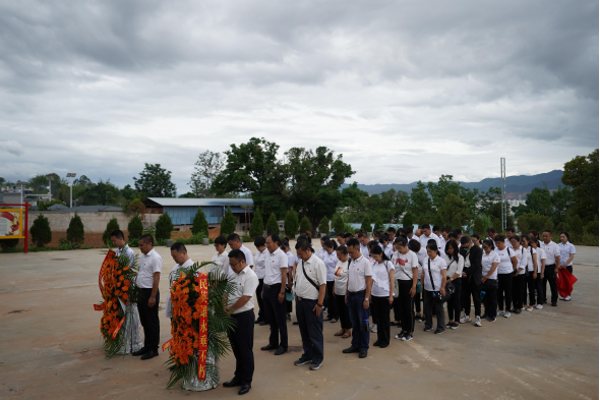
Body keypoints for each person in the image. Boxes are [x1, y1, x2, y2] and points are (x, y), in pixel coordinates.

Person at [223, 249, 259, 396]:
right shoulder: (234, 274)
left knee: (245, 351)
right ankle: (238, 377)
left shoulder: (250, 276)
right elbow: (225, 292)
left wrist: (230, 309)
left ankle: (246, 381)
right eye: (230, 264)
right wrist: (224, 307)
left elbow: (245, 298)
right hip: (231, 317)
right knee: (236, 349)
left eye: (234, 264)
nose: (232, 267)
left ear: (242, 261)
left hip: (243, 317)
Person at [293, 237, 327, 371]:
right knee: (304, 331)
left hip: (312, 303)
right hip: (300, 302)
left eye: (301, 253)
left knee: (315, 332)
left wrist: (319, 304)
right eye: (298, 254)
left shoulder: (318, 263)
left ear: (308, 250)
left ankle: (317, 358)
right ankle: (307, 354)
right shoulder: (301, 262)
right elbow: (299, 280)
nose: (299, 256)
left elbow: (323, 285)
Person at [133, 234, 162, 360]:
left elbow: (156, 278)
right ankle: (147, 345)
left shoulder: (155, 258)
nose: (140, 248)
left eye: (141, 245)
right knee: (144, 321)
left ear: (149, 244)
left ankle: (153, 349)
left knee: (152, 322)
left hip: (150, 292)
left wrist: (152, 296)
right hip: (141, 292)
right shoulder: (143, 257)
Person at [343, 238, 373, 359]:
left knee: (363, 323)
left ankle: (364, 347)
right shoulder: (351, 261)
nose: (350, 254)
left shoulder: (365, 262)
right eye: (348, 252)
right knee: (354, 323)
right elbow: (349, 279)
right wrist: (346, 294)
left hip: (361, 296)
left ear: (358, 249)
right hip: (351, 296)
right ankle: (355, 344)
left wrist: (366, 299)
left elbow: (369, 282)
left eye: (351, 252)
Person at [260, 234, 289, 355]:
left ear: (276, 243)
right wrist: (263, 289)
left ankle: (283, 345)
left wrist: (282, 291)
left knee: (280, 318)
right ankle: (273, 342)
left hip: (277, 289)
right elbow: (266, 273)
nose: (267, 245)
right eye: (266, 243)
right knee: (270, 318)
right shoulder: (267, 254)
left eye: (269, 243)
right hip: (267, 288)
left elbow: (284, 275)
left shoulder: (281, 256)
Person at [392, 236, 418, 341]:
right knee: (400, 308)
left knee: (408, 308)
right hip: (397, 284)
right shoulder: (395, 254)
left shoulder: (412, 255)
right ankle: (403, 330)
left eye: (400, 248)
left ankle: (410, 331)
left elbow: (415, 271)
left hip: (408, 283)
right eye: (397, 248)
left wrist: (413, 286)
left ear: (405, 245)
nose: (398, 250)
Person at [369, 245, 395, 348]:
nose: (374, 258)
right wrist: (370, 294)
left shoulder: (388, 264)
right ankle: (379, 338)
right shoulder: (374, 264)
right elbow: (371, 280)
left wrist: (390, 295)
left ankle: (385, 339)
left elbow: (392, 281)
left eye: (376, 256)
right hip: (375, 294)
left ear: (381, 254)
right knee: (377, 318)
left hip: (385, 295)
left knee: (384, 318)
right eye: (373, 256)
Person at [421, 242, 448, 334]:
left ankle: (441, 326)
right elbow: (423, 273)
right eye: (427, 251)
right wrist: (422, 285)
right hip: (427, 288)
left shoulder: (441, 261)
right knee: (427, 307)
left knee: (438, 308)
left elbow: (444, 276)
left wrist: (442, 287)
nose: (428, 253)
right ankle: (428, 325)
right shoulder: (425, 260)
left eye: (430, 251)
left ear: (435, 251)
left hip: (437, 288)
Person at [166, 242, 194, 319]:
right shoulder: (175, 268)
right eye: (172, 256)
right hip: (174, 309)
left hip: (185, 310)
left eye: (175, 256)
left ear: (183, 253)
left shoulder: (192, 268)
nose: (174, 259)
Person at [459, 236, 483, 327]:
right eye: (463, 246)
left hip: (474, 276)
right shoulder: (461, 248)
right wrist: (462, 272)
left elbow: (476, 264)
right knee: (465, 296)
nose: (464, 248)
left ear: (470, 243)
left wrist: (467, 272)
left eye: (466, 246)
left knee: (476, 298)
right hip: (464, 275)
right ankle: (467, 315)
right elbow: (460, 260)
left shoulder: (478, 250)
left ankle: (478, 316)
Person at [494, 235, 518, 319]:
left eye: (499, 243)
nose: (497, 245)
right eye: (496, 243)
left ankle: (508, 310)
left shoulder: (509, 250)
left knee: (507, 292)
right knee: (499, 292)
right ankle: (500, 309)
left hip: (507, 274)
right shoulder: (495, 250)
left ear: (503, 242)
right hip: (498, 274)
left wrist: (512, 270)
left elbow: (515, 261)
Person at [444, 240, 464, 330]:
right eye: (448, 248)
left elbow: (459, 272)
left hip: (456, 281)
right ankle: (450, 320)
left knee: (456, 301)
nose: (449, 250)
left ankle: (456, 321)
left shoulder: (460, 258)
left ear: (455, 248)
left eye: (451, 248)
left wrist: (450, 280)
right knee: (449, 302)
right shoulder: (445, 257)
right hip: (447, 280)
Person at [334, 246, 352, 339]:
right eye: (337, 255)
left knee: (346, 311)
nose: (338, 256)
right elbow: (336, 276)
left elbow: (350, 279)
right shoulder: (339, 262)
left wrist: (346, 293)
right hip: (337, 290)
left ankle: (348, 329)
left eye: (339, 255)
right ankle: (343, 328)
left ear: (345, 254)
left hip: (345, 291)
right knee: (340, 310)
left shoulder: (349, 263)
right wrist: (334, 288)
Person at [481, 239, 500, 322]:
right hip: (483, 279)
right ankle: (486, 313)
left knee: (493, 298)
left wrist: (486, 277)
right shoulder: (483, 254)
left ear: (491, 246)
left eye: (486, 247)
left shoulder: (495, 255)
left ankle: (493, 315)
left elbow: (493, 268)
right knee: (485, 298)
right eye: (483, 247)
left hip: (491, 278)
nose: (484, 249)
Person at [541, 230, 561, 307]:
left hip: (551, 267)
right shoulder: (540, 244)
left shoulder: (554, 245)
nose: (545, 237)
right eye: (543, 236)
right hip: (542, 267)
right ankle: (543, 298)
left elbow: (558, 257)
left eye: (546, 236)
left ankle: (554, 300)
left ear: (550, 236)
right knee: (542, 284)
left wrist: (556, 268)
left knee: (553, 284)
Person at [409, 239, 427, 323]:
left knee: (424, 296)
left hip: (423, 276)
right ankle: (418, 313)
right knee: (415, 295)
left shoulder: (425, 251)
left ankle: (424, 314)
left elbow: (425, 264)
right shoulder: (412, 253)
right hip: (415, 276)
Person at [322, 239, 340, 323]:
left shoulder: (336, 255)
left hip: (333, 279)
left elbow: (338, 268)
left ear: (332, 247)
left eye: (327, 248)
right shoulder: (326, 254)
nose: (326, 250)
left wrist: (336, 279)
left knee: (334, 298)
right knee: (328, 298)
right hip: (326, 278)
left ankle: (335, 315)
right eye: (325, 249)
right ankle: (330, 314)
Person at [253, 237, 269, 325]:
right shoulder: (259, 252)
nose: (258, 248)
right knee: (259, 298)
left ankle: (267, 317)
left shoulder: (267, 253)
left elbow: (267, 268)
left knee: (264, 298)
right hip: (257, 277)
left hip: (264, 278)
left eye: (259, 246)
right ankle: (261, 315)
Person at [509, 235, 526, 314]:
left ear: (519, 241)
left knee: (520, 290)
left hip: (521, 273)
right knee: (513, 290)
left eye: (514, 242)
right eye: (511, 242)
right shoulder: (509, 249)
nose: (513, 243)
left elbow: (524, 262)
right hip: (511, 272)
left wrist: (518, 271)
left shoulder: (523, 250)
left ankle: (519, 306)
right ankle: (514, 306)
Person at [521, 235, 538, 312]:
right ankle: (524, 303)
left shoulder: (532, 250)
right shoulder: (520, 249)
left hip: (530, 271)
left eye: (524, 241)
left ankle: (531, 304)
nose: (522, 243)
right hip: (523, 271)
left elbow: (535, 262)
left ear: (528, 241)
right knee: (523, 288)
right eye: (521, 241)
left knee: (531, 288)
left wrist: (535, 272)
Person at [558, 232, 577, 301]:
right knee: (562, 281)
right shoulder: (558, 245)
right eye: (561, 237)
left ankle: (568, 295)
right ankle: (563, 294)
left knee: (568, 281)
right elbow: (557, 256)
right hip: (560, 267)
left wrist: (565, 264)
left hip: (567, 266)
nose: (562, 238)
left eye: (563, 237)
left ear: (567, 237)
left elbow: (572, 256)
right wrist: (557, 265)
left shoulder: (571, 246)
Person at [281, 238, 295, 322]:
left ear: (287, 246)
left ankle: (288, 313)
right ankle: (283, 313)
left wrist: (289, 281)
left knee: (288, 297)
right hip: (282, 277)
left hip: (287, 277)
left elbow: (290, 269)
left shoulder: (290, 256)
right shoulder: (282, 254)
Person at [530, 237, 546, 309]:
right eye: (530, 243)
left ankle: (540, 302)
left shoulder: (540, 251)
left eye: (532, 242)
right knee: (532, 288)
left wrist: (542, 273)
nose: (531, 244)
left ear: (536, 243)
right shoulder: (529, 250)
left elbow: (543, 263)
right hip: (531, 271)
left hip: (538, 271)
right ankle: (532, 302)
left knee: (539, 288)